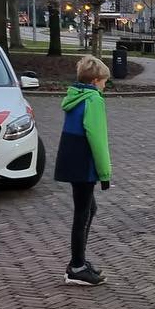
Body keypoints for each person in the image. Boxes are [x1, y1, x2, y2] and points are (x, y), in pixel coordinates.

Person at [54, 55, 113, 286]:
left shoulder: (74, 97)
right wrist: (105, 173)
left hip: (71, 156)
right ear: (96, 80)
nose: (105, 85)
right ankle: (77, 266)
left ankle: (79, 261)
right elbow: (98, 139)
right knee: (83, 212)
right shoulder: (93, 100)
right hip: (84, 161)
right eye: (104, 81)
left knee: (88, 208)